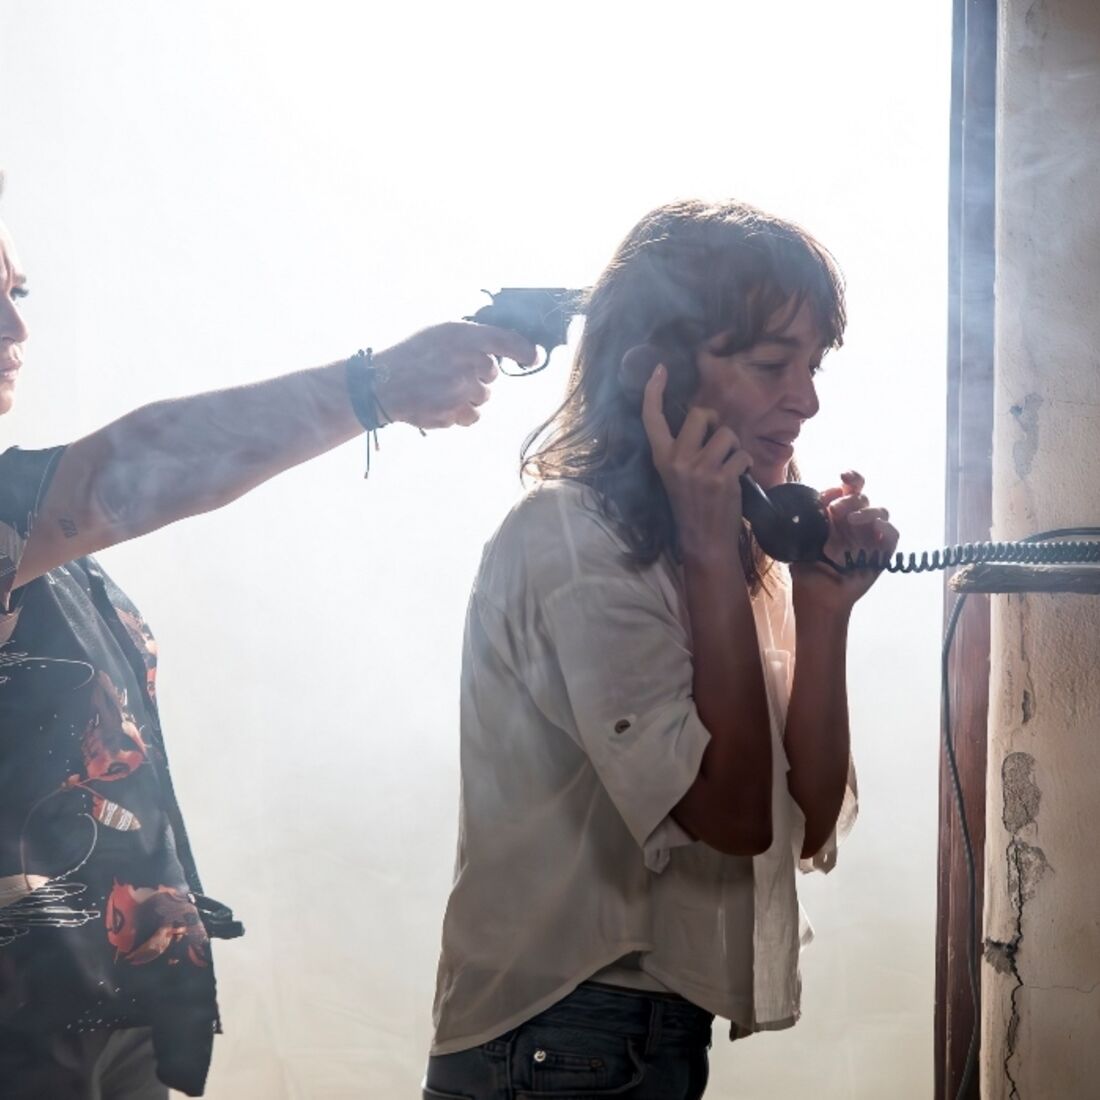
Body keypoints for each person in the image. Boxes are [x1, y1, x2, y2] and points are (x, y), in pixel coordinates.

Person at [0, 173, 537, 1100]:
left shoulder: (35, 527)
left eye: (18, 293)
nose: (17, 328)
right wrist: (369, 387)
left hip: (96, 1008)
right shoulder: (31, 512)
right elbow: (124, 480)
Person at [423, 199, 900, 1099]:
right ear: (659, 378)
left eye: (812, 364)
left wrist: (824, 608)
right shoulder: (571, 540)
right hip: (560, 1033)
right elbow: (734, 819)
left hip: (642, 1035)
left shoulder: (735, 551)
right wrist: (711, 551)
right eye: (772, 363)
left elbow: (807, 817)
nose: (806, 399)